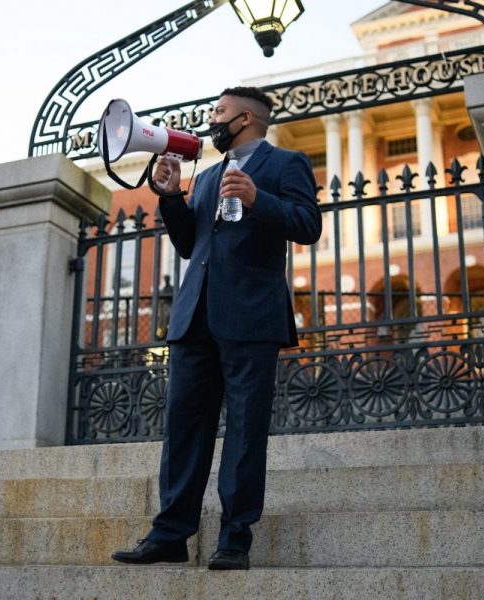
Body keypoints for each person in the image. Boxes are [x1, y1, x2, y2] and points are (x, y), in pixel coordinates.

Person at [111, 86, 321, 570]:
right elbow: (190, 244)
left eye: (219, 112)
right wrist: (170, 198)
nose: (212, 120)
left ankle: (234, 538)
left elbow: (308, 225)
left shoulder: (285, 163)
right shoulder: (205, 176)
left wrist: (257, 199)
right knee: (183, 430)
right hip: (194, 318)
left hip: (251, 318)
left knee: (246, 432)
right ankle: (169, 535)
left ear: (245, 119)